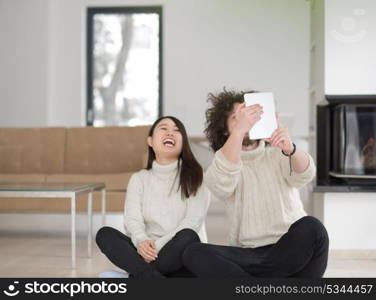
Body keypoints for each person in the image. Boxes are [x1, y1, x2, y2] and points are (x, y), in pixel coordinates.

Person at [183, 89, 329, 278]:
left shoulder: (278, 153)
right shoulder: (222, 162)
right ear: (226, 129)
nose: (246, 121)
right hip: (250, 253)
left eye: (249, 116)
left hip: (291, 250)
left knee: (313, 227)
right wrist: (240, 130)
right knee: (193, 252)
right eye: (238, 117)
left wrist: (290, 148)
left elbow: (304, 175)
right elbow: (220, 185)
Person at [96, 116, 209, 278]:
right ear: (150, 141)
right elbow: (132, 220)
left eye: (177, 130)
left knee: (188, 236)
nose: (170, 132)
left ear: (183, 142)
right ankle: (151, 276)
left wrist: (155, 247)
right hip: (145, 250)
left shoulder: (197, 177)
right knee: (105, 234)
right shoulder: (139, 178)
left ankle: (136, 276)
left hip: (178, 254)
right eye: (163, 128)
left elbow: (192, 223)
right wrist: (142, 242)